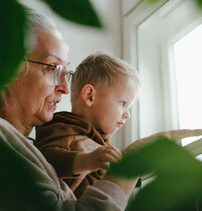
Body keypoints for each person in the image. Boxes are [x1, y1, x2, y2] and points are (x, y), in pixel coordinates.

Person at [0, 9, 202, 211]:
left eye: (67, 72)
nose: (66, 88)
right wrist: (127, 169)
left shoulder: (27, 148)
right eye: (53, 69)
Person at [34, 52, 140, 198]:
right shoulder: (61, 126)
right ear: (90, 95)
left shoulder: (105, 142)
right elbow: (46, 161)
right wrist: (83, 161)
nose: (127, 114)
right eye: (123, 103)